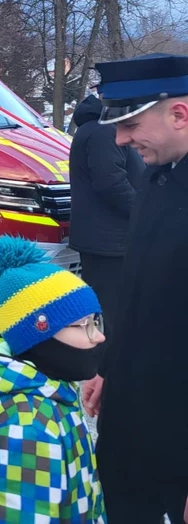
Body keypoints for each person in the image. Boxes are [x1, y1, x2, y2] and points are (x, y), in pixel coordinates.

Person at [82, 53, 188, 524]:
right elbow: (137, 292)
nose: (120, 139)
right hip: (131, 412)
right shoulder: (158, 178)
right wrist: (110, 369)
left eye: (130, 124)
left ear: (179, 114)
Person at [0, 236, 105, 523]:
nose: (98, 335)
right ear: (38, 334)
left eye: (95, 321)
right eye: (83, 325)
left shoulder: (53, 390)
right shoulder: (27, 429)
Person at [68, 82, 144, 339]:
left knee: (115, 311)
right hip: (107, 241)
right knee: (113, 315)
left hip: (109, 237)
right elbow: (110, 183)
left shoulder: (103, 126)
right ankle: (109, 371)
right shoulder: (102, 130)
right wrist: (146, 211)